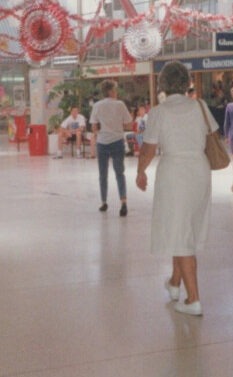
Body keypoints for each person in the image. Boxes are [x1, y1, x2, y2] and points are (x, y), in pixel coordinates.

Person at [135, 62, 216, 316]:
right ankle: (174, 283)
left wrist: (140, 171)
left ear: (163, 84)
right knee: (184, 227)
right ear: (186, 82)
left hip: (174, 171)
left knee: (180, 231)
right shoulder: (200, 106)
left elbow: (148, 149)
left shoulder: (159, 112)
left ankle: (193, 299)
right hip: (200, 169)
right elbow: (213, 133)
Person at [90, 80, 133, 216]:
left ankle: (104, 202)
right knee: (119, 173)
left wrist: (100, 133)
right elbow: (129, 124)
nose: (116, 92)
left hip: (102, 143)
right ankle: (123, 202)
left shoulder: (97, 105)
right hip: (117, 142)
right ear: (110, 91)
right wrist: (118, 126)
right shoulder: (120, 105)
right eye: (115, 90)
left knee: (103, 174)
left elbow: (94, 126)